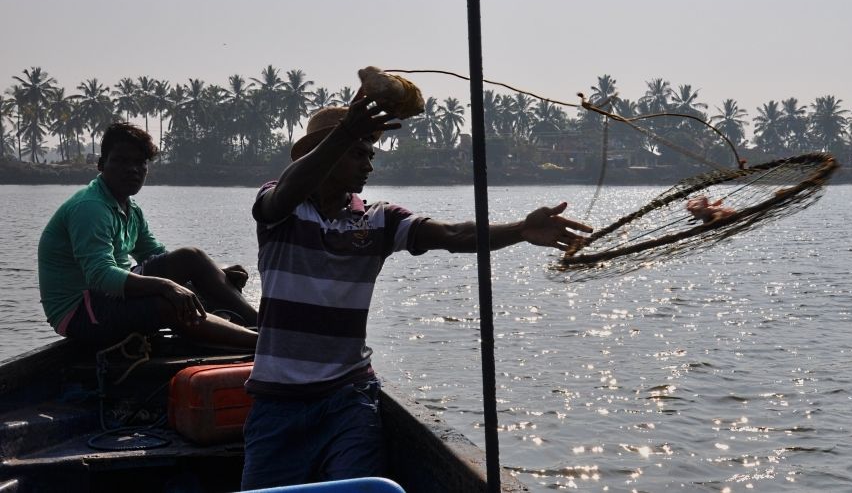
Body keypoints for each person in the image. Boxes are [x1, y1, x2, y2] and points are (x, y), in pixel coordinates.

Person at [241, 95, 592, 489]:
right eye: (359, 153)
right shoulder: (280, 207)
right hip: (277, 403)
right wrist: (344, 133)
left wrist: (519, 231)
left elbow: (453, 235)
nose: (369, 165)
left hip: (348, 398)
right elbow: (286, 192)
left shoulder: (378, 220)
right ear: (327, 152)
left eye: (369, 154)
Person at [37, 123, 258, 350]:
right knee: (167, 304)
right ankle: (259, 342)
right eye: (122, 161)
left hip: (107, 296)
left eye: (140, 163)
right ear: (102, 165)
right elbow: (99, 275)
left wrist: (216, 273)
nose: (133, 169)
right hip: (80, 313)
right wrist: (166, 287)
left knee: (192, 257)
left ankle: (262, 325)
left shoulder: (129, 208)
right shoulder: (90, 207)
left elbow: (157, 255)